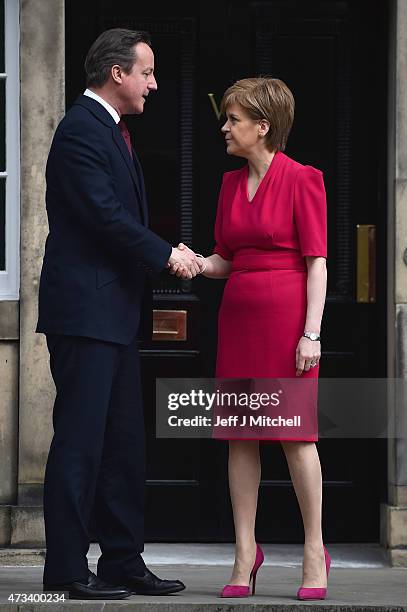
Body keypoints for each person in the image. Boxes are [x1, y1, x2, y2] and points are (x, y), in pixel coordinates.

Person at [36, 28, 200, 600]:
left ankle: (123, 561)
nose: (154, 84)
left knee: (124, 446)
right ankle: (65, 569)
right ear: (117, 74)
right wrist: (167, 255)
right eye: (147, 72)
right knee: (81, 444)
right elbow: (104, 216)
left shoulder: (112, 130)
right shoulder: (80, 130)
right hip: (85, 314)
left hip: (115, 314)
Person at [180, 77, 329, 600]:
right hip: (238, 321)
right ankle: (245, 552)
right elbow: (228, 259)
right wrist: (197, 264)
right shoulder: (227, 185)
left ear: (262, 126)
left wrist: (311, 333)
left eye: (234, 120)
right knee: (240, 438)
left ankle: (315, 550)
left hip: (288, 321)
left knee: (294, 436)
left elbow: (317, 264)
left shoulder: (304, 179)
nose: (224, 127)